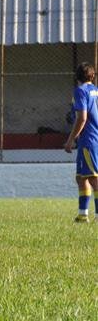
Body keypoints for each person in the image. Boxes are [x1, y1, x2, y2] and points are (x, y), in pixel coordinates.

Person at [63, 62, 98, 223]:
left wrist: (70, 140)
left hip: (89, 140)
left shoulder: (80, 91)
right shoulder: (95, 90)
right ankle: (83, 215)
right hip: (90, 139)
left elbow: (82, 118)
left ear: (76, 76)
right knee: (81, 177)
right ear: (92, 75)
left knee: (94, 178)